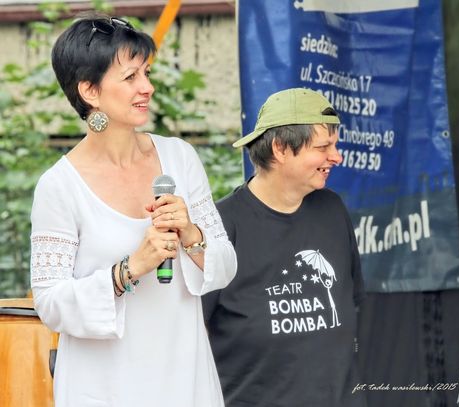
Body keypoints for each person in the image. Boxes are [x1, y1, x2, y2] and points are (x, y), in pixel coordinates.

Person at [30, 14, 236, 407]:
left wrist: (192, 235)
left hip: (184, 376)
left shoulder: (180, 158)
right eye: (130, 77)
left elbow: (225, 265)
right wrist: (130, 268)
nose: (147, 87)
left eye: (146, 73)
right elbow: (50, 303)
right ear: (89, 90)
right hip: (103, 387)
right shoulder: (59, 186)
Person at [203, 88, 366, 407]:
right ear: (279, 148)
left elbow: (352, 303)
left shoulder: (332, 210)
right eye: (323, 147)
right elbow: (193, 335)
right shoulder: (220, 226)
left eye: (334, 145)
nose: (336, 157)